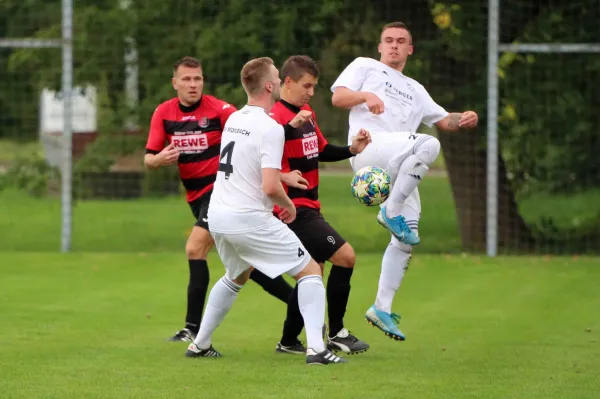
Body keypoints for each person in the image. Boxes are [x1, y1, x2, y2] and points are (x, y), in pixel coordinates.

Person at [185, 57, 346, 365]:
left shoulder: (234, 119)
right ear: (270, 86)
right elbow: (270, 187)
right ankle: (317, 349)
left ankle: (200, 344)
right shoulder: (269, 128)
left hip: (218, 216)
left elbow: (249, 161)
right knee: (310, 271)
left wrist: (281, 170)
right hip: (247, 218)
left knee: (237, 275)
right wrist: (288, 206)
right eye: (276, 75)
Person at [330, 22, 479, 341]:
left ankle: (381, 308)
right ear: (380, 46)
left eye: (401, 42)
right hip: (369, 149)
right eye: (388, 40)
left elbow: (444, 121)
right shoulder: (364, 66)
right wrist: (366, 95)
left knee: (406, 237)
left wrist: (463, 117)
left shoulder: (415, 88)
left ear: (410, 49)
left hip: (398, 164)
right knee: (430, 145)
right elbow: (339, 98)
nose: (394, 45)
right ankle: (391, 210)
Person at [144, 56, 301, 343]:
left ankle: (192, 328)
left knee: (195, 248)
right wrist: (159, 159)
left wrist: (285, 155)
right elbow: (148, 159)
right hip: (196, 198)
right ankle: (299, 303)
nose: (193, 84)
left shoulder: (221, 110)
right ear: (174, 83)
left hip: (221, 193)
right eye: (187, 79)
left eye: (198, 78)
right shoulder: (163, 113)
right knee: (245, 267)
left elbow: (258, 135)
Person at [268, 55, 371, 355]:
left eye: (314, 86)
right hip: (293, 210)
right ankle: (337, 333)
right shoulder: (273, 119)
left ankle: (288, 341)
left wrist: (352, 149)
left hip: (312, 206)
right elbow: (261, 157)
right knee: (346, 257)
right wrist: (288, 127)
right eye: (307, 86)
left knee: (311, 274)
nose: (311, 92)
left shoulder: (307, 113)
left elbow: (321, 150)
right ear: (287, 82)